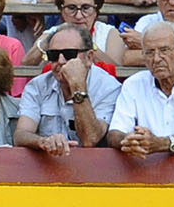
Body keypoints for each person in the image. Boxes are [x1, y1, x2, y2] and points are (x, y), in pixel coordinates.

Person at [105, 21, 174, 158]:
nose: (156, 59)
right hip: (143, 163)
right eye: (149, 52)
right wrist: (129, 141)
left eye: (164, 50)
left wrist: (162, 144)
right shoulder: (133, 84)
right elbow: (114, 133)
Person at [13, 23, 118, 154]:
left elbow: (90, 139)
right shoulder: (37, 86)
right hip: (49, 161)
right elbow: (21, 135)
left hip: (93, 164)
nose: (61, 61)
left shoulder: (109, 87)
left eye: (69, 54)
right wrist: (43, 142)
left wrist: (78, 86)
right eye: (53, 55)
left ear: (89, 57)